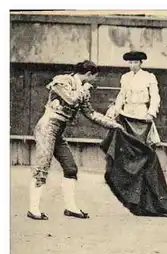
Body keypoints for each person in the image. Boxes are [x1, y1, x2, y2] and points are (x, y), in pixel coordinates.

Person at [28, 60, 124, 220]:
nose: (94, 81)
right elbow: (71, 100)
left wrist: (114, 125)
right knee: (42, 167)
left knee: (71, 168)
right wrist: (84, 88)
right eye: (94, 77)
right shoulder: (62, 80)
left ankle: (70, 208)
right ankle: (33, 209)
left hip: (58, 132)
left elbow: (92, 114)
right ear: (88, 74)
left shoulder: (82, 89)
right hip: (46, 128)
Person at [107, 51, 161, 146]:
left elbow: (155, 96)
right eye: (130, 63)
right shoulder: (125, 77)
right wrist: (116, 110)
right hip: (127, 110)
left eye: (135, 62)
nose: (133, 65)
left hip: (141, 110)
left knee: (140, 139)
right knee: (127, 138)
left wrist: (151, 113)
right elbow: (122, 95)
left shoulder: (149, 76)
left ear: (141, 63)